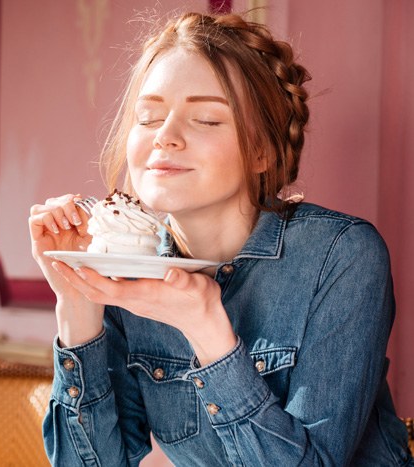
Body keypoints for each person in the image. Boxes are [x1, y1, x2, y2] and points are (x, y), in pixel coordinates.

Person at [28, 10, 413, 467]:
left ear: (260, 151)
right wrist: (78, 302)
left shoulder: (341, 256)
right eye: (148, 117)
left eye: (206, 120)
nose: (164, 138)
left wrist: (206, 328)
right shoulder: (123, 268)